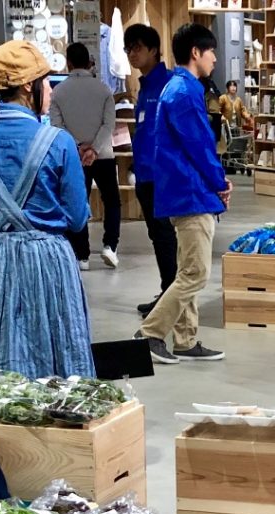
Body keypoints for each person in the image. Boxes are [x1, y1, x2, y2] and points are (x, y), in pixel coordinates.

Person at [0, 41, 93, 378]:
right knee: (59, 357)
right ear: (27, 86)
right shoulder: (59, 141)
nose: (49, 90)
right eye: (46, 81)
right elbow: (77, 219)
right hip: (50, 261)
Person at [136, 23, 231, 365]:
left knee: (186, 269)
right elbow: (200, 146)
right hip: (191, 192)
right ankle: (150, 333)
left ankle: (187, 339)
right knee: (196, 273)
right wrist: (219, 182)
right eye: (212, 52)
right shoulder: (184, 91)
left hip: (185, 190)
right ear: (196, 52)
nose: (216, 59)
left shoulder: (176, 88)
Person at [50, 42, 120, 270]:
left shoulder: (58, 92)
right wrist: (95, 148)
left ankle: (82, 255)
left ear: (68, 62)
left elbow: (57, 126)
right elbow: (109, 124)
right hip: (105, 155)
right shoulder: (103, 90)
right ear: (89, 62)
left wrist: (80, 146)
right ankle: (110, 245)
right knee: (111, 201)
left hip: (74, 157)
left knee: (77, 201)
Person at [124, 23, 177, 318]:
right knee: (157, 236)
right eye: (128, 49)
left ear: (154, 50)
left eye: (137, 48)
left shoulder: (169, 84)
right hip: (145, 175)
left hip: (164, 178)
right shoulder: (144, 87)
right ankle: (166, 291)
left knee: (167, 237)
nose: (132, 54)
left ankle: (172, 297)